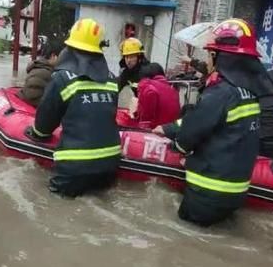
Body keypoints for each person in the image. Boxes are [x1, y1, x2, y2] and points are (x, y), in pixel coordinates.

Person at [153, 18, 273, 227]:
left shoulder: (221, 92)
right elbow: (214, 124)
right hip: (235, 190)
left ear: (219, 57)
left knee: (185, 242)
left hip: (208, 190)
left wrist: (177, 146)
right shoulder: (250, 91)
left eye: (209, 55)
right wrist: (170, 128)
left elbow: (191, 133)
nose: (207, 61)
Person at [26, 18, 120, 197]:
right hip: (110, 165)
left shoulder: (62, 78)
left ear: (70, 48)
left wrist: (37, 133)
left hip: (75, 167)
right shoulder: (112, 79)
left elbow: (44, 124)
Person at [130, 62, 181, 129]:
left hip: (155, 132)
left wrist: (133, 113)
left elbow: (145, 121)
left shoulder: (147, 85)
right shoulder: (173, 90)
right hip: (170, 131)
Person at [17, 40, 64, 107]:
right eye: (61, 57)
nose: (62, 61)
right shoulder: (43, 73)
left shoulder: (43, 69)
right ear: (53, 56)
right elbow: (32, 97)